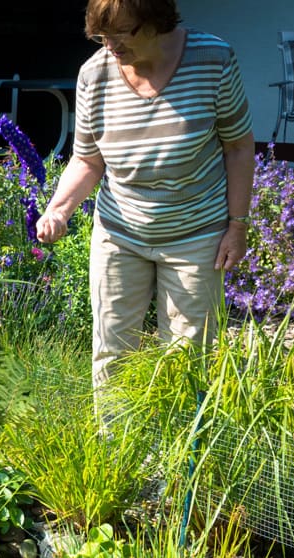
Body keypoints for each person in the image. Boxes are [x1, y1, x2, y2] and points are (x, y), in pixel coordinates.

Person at [36, 0, 255, 394]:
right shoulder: (94, 74)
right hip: (119, 234)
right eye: (101, 36)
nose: (110, 46)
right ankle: (115, 449)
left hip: (196, 234)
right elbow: (87, 159)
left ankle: (184, 453)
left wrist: (237, 225)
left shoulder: (213, 59)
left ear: (156, 21)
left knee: (189, 358)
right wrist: (59, 209)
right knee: (112, 352)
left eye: (121, 33)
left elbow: (238, 146)